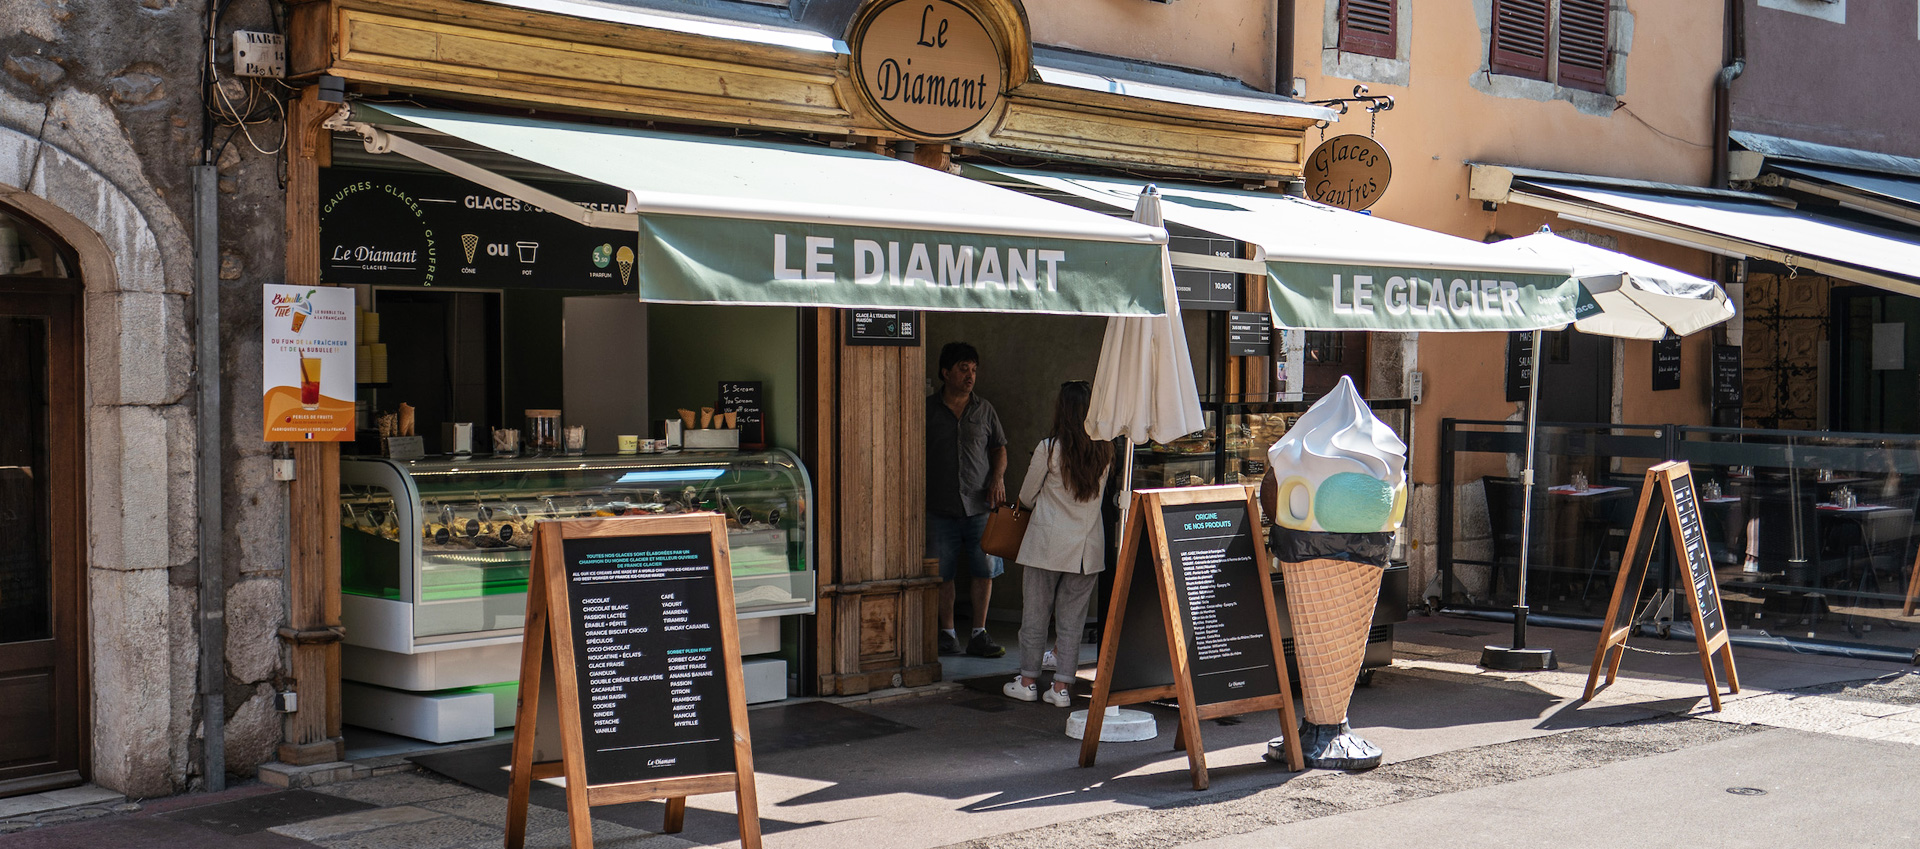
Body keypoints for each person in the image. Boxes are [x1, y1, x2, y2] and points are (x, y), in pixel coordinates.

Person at [1004, 380, 1113, 706]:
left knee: (1035, 618)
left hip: (1046, 546)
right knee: (1072, 624)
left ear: (1062, 410)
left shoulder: (1049, 449)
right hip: (1086, 550)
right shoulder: (1105, 450)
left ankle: (1027, 682)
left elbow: (1025, 495)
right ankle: (1062, 689)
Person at [927, 341, 1009, 657]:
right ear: (945, 372)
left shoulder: (984, 409)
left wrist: (998, 478)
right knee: (941, 572)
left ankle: (979, 633)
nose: (970, 376)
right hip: (939, 504)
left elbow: (1000, 448)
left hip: (979, 503)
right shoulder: (927, 409)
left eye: (973, 370)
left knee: (984, 568)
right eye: (963, 369)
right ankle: (947, 634)